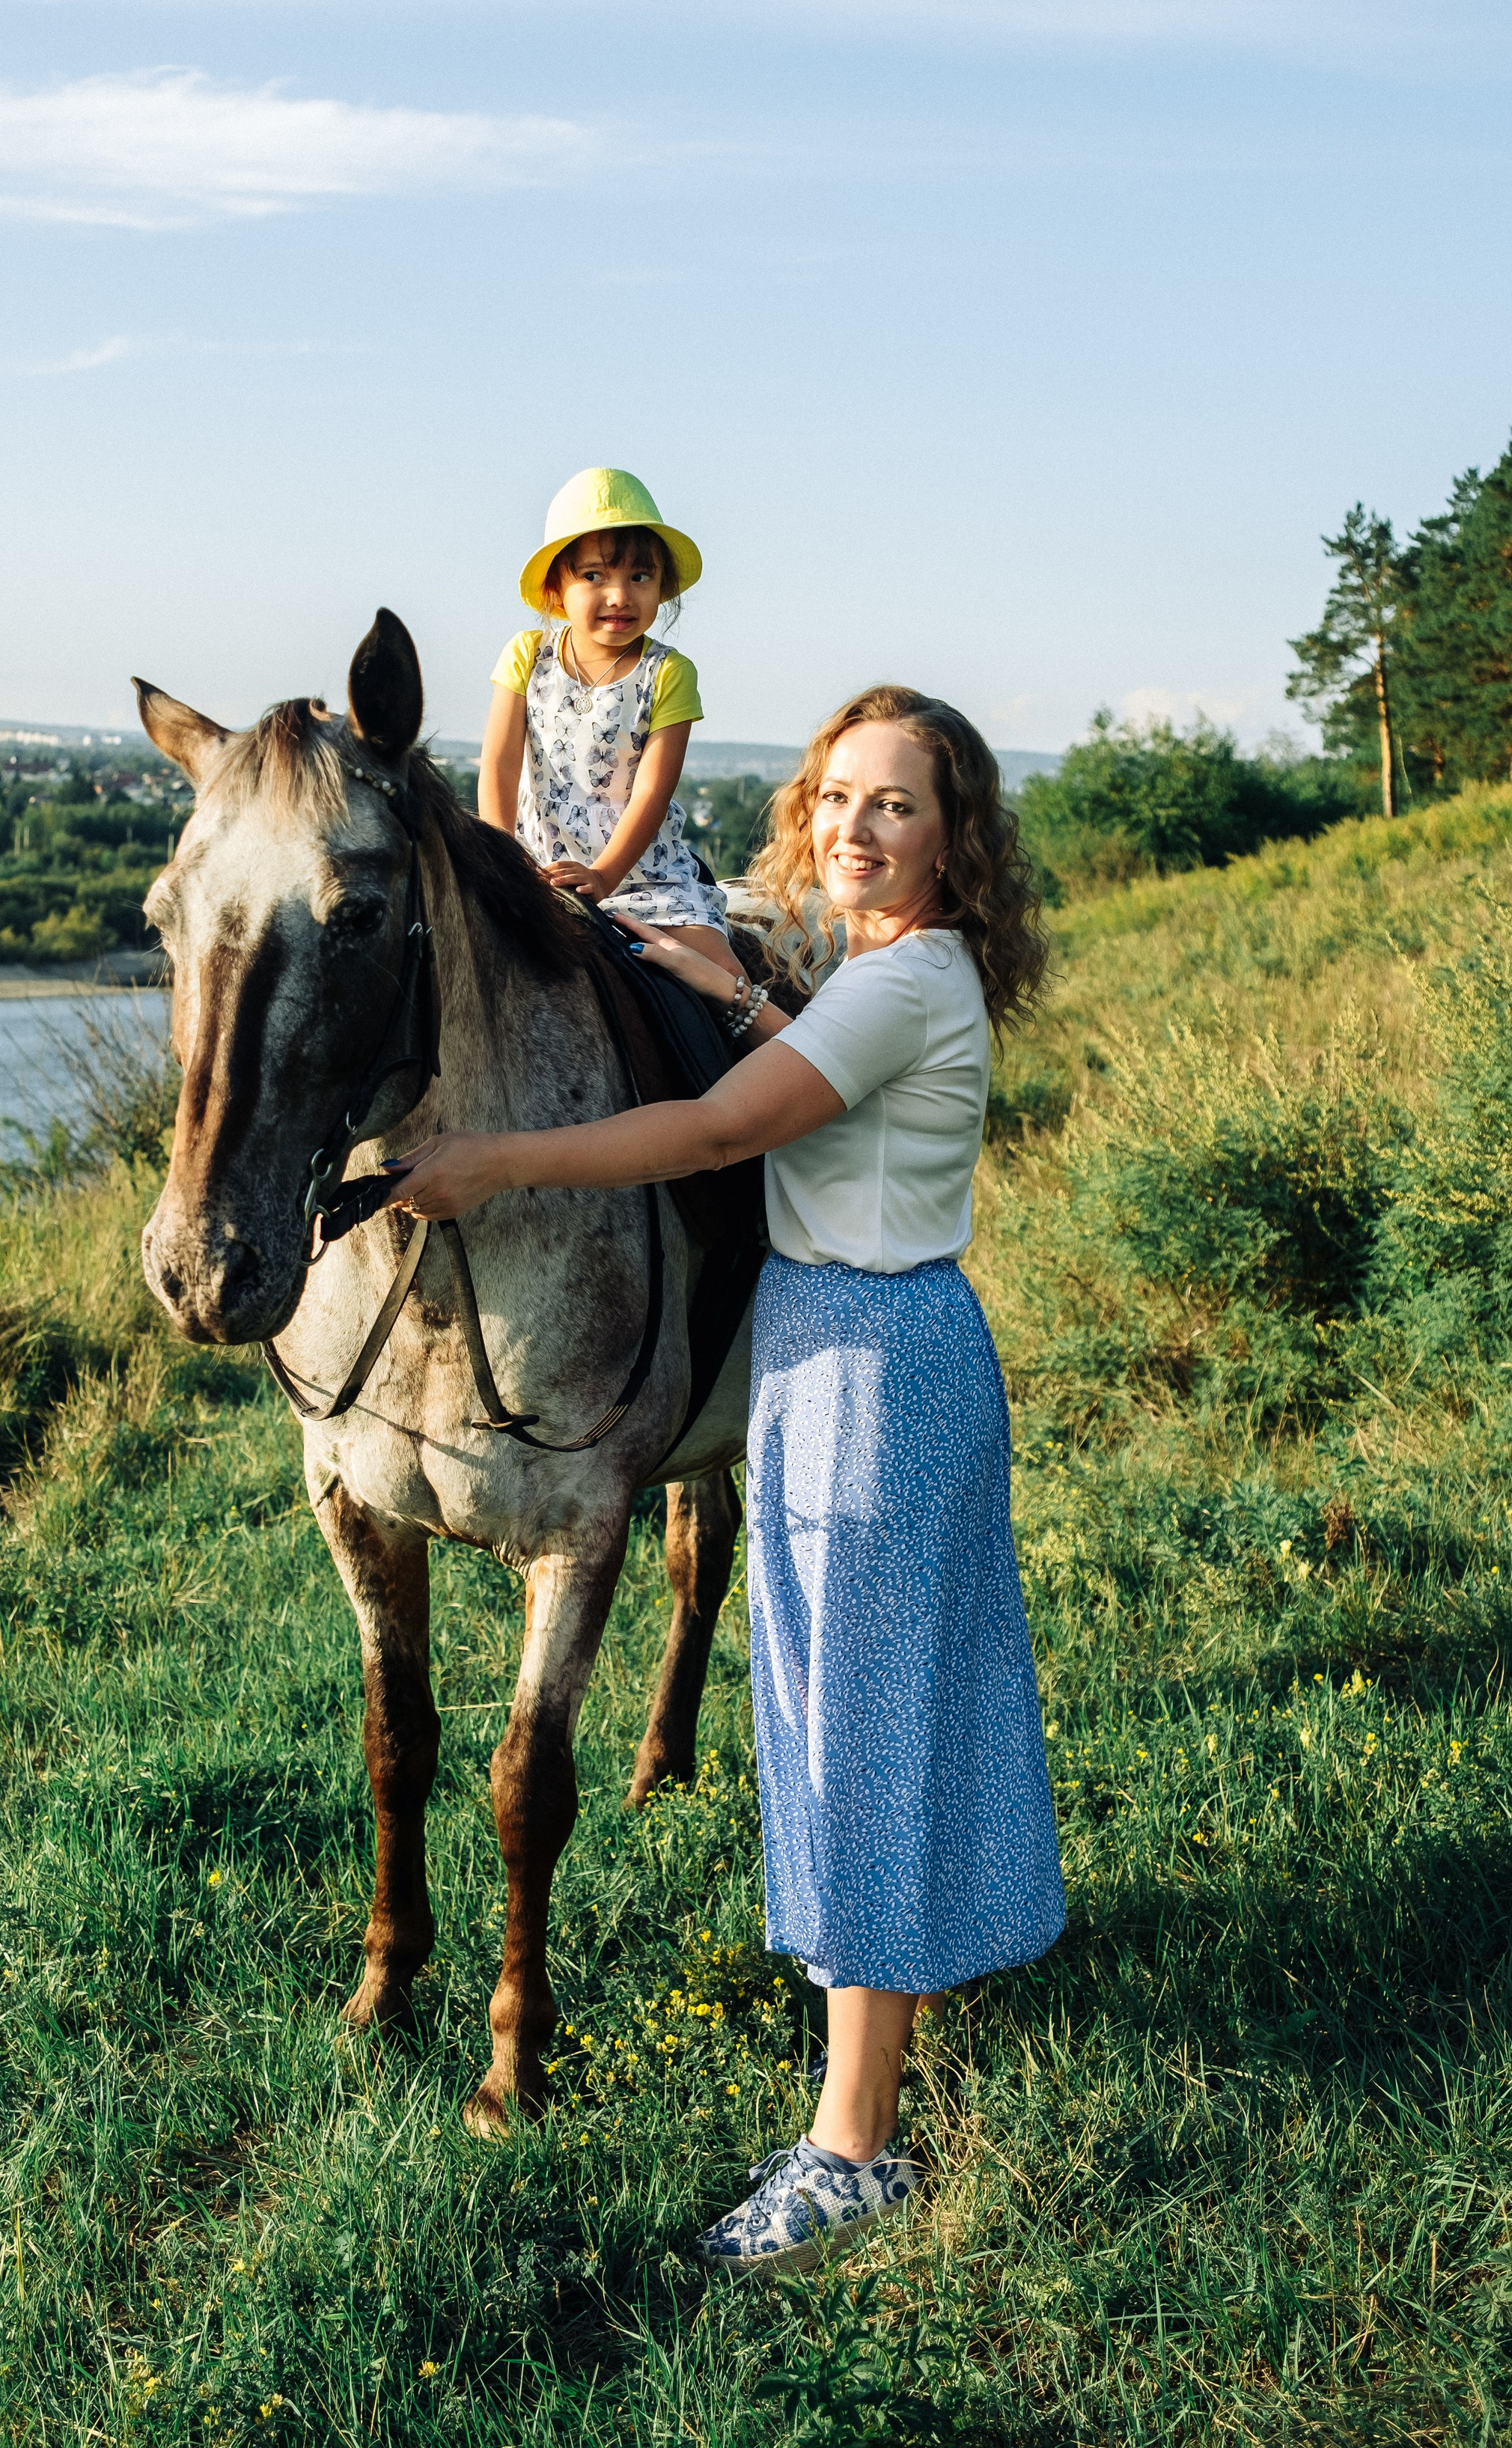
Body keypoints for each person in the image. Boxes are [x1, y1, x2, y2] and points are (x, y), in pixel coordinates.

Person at [390, 683, 1067, 2277]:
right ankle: (891, 2014)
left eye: (894, 803)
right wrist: (743, 991)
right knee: (875, 1708)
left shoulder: (903, 983)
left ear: (954, 836)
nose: (852, 826)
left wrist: (492, 1163)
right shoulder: (891, 976)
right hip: (864, 1349)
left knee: (860, 1733)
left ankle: (853, 2150)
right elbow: (821, 1084)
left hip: (870, 1369)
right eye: (834, 796)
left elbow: (707, 1137)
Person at [479, 465, 744, 981]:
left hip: (642, 876)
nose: (620, 595)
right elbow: (500, 763)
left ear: (662, 586)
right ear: (556, 587)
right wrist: (501, 860)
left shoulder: (667, 673)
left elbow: (652, 793)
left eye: (639, 577)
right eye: (594, 576)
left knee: (725, 976)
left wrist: (604, 876)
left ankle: (778, 1036)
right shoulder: (526, 655)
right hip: (536, 867)